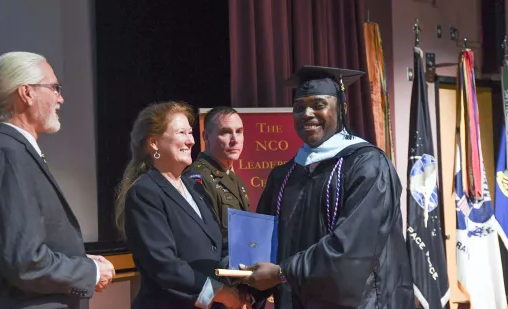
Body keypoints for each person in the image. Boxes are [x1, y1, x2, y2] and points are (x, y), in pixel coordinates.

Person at [240, 66, 414, 309]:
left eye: (318, 104)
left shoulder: (368, 165)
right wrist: (241, 279)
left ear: (341, 108)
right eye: (299, 107)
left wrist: (282, 272)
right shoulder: (284, 175)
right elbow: (261, 243)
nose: (307, 114)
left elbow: (352, 249)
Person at [0, 51, 115, 309]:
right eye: (54, 88)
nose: (61, 98)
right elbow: (25, 262)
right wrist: (90, 272)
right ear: (26, 93)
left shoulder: (11, 151)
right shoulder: (6, 156)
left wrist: (80, 261)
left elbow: (24, 246)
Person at [115, 101, 252, 309]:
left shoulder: (194, 188)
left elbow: (216, 248)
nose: (191, 141)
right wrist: (220, 294)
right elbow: (164, 267)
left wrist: (248, 275)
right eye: (182, 133)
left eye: (190, 133)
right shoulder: (145, 192)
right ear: (154, 143)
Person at [183, 106, 250, 256]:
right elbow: (201, 240)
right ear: (206, 137)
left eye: (239, 132)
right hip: (217, 272)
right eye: (225, 132)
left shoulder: (236, 179)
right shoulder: (196, 177)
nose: (235, 140)